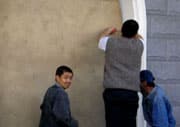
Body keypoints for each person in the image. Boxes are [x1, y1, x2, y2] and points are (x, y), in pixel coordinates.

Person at [98, 19, 144, 127]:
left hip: (113, 91)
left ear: (122, 30)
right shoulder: (140, 45)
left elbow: (100, 40)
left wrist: (109, 31)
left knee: (112, 123)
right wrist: (133, 33)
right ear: (135, 33)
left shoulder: (110, 42)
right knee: (130, 123)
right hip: (131, 93)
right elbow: (140, 37)